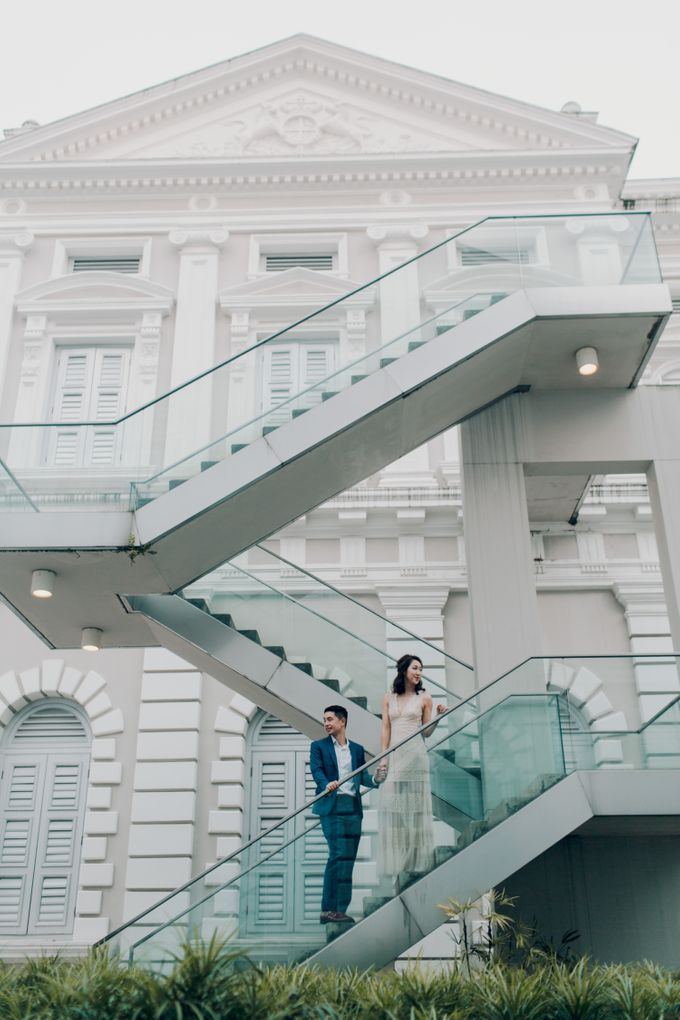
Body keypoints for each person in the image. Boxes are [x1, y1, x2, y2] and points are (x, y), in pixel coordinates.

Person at [310, 704, 383, 924]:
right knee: (337, 854)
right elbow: (317, 771)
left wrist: (376, 779)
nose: (326, 724)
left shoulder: (357, 749)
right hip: (332, 807)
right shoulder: (318, 746)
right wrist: (326, 784)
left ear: (343, 722)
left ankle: (340, 910)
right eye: (324, 720)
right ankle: (327, 908)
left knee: (348, 859)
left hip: (352, 809)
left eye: (330, 719)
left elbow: (362, 778)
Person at [376, 654, 446, 883]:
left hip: (416, 756)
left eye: (421, 669)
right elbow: (386, 729)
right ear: (404, 669)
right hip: (396, 756)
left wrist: (437, 717)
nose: (419, 672)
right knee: (394, 807)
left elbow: (426, 732)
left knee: (415, 810)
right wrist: (383, 759)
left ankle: (416, 862)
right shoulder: (388, 698)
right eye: (415, 668)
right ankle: (399, 863)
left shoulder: (425, 698)